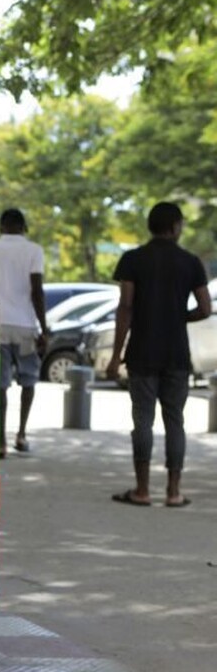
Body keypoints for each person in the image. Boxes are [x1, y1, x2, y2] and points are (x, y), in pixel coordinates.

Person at [107, 202, 211, 507]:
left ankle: (141, 490)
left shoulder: (133, 260)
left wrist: (116, 355)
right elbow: (206, 308)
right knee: (175, 421)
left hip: (141, 351)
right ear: (176, 226)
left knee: (143, 421)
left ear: (151, 226)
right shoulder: (190, 262)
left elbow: (125, 307)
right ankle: (173, 492)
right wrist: (179, 316)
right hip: (177, 353)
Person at [0, 208, 49, 459]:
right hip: (25, 326)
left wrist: (1, 299)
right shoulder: (33, 250)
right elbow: (37, 290)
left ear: (1, 227)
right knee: (28, 379)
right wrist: (44, 326)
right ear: (24, 227)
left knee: (0, 384)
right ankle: (21, 434)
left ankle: (0, 442)